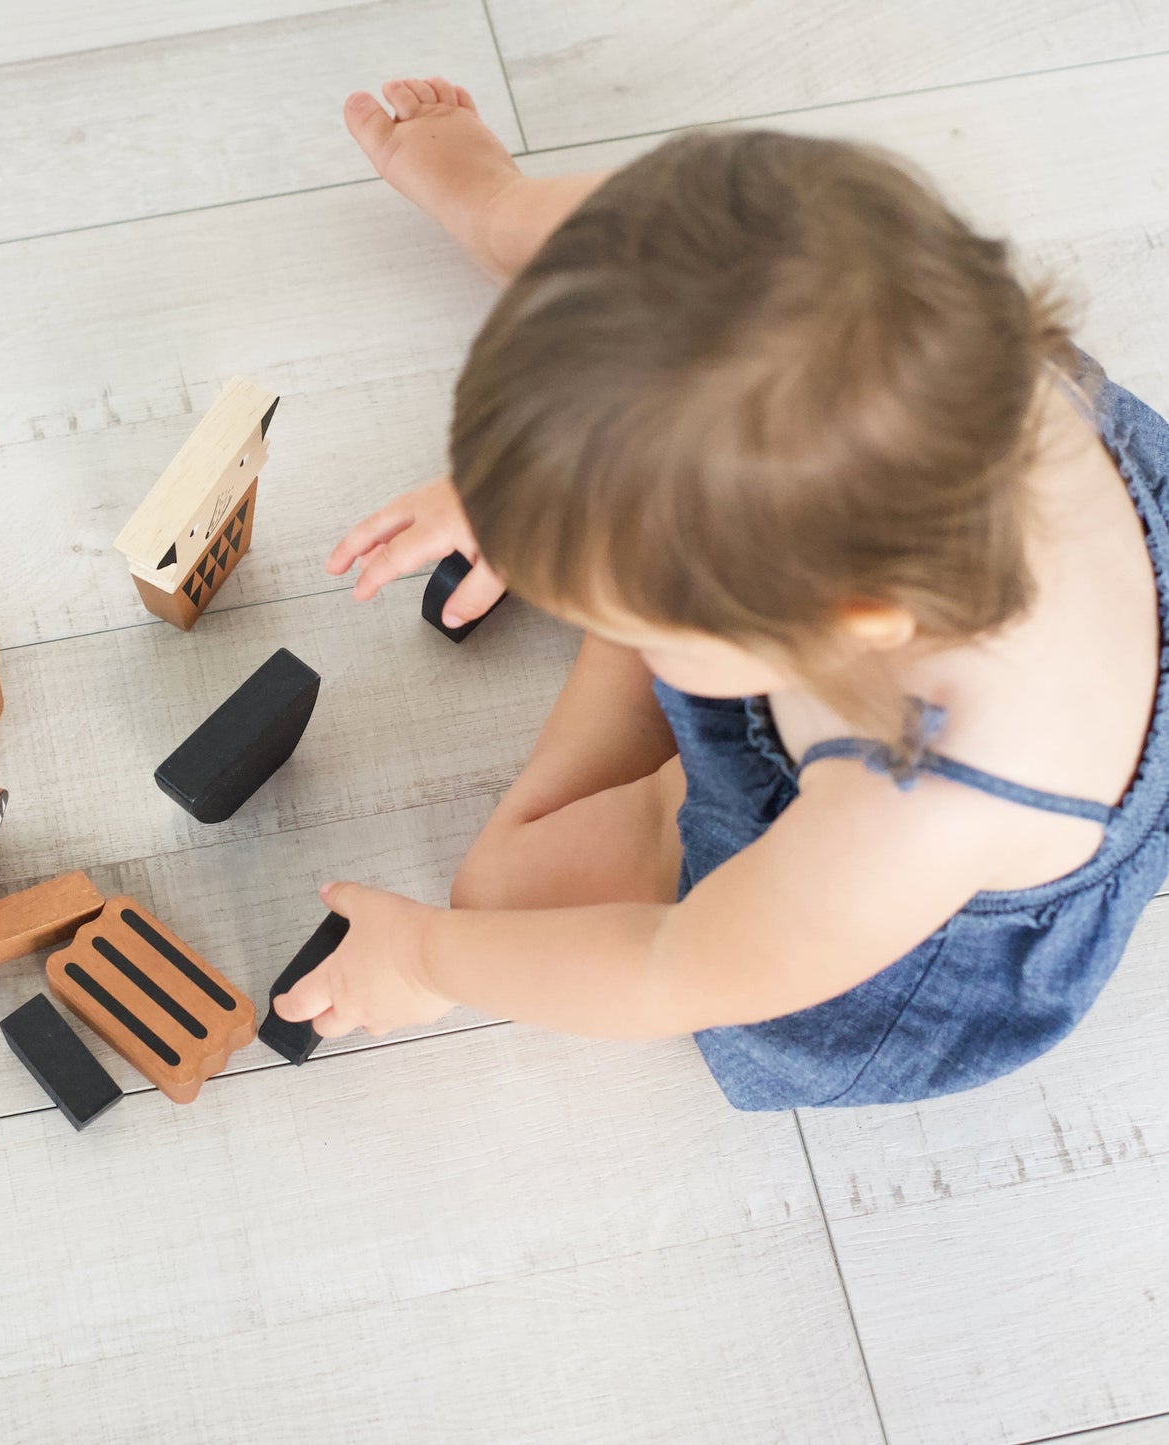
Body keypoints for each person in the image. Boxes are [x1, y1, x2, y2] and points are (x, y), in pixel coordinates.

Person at [274, 78, 1169, 1109]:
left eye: (623, 616)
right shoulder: (899, 317)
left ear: (831, 628)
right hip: (1015, 606)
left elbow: (668, 966)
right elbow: (678, 239)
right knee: (679, 278)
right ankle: (502, 228)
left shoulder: (912, 817)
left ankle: (659, 740)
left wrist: (427, 958)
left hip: (897, 882)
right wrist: (535, 435)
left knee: (496, 899)